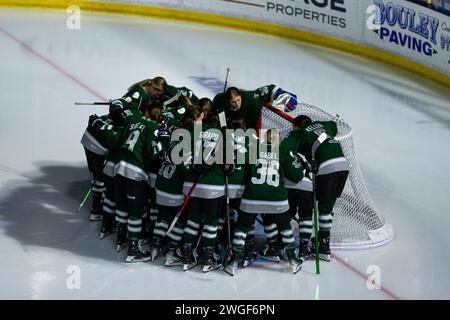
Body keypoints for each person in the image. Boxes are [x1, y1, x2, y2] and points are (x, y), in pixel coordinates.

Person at [223, 129, 304, 276]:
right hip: (276, 198)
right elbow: (296, 175)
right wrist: (305, 167)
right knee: (285, 227)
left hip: (253, 195)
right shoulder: (283, 150)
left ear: (265, 138)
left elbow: (236, 160)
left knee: (242, 228)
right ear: (278, 140)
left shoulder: (255, 148)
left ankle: (234, 261)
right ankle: (293, 259)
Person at [101, 100, 164, 262]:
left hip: (118, 168)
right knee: (136, 211)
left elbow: (114, 141)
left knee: (122, 205)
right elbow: (152, 153)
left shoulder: (132, 121)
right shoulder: (153, 127)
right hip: (135, 173)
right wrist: (162, 145)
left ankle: (121, 238)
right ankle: (133, 249)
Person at [293, 115, 349, 262]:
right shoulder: (324, 125)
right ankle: (323, 242)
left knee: (323, 206)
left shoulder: (302, 133)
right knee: (328, 206)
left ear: (297, 126)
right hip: (343, 166)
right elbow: (334, 125)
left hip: (328, 168)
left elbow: (294, 150)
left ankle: (323, 246)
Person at [179, 105, 225, 272]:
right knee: (211, 223)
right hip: (213, 187)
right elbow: (228, 164)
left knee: (193, 221)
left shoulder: (191, 131)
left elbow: (183, 159)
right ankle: (208, 258)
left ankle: (187, 254)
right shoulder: (222, 134)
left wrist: (194, 167)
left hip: (191, 185)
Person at [213, 84, 298, 130]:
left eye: (238, 100)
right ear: (228, 101)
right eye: (233, 102)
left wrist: (282, 94)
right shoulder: (219, 100)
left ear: (241, 96)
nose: (237, 104)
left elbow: (269, 89)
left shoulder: (251, 98)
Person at [80, 114, 112, 221]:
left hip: (87, 139)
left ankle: (96, 207)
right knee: (104, 177)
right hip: (99, 147)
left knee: (97, 175)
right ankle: (99, 209)